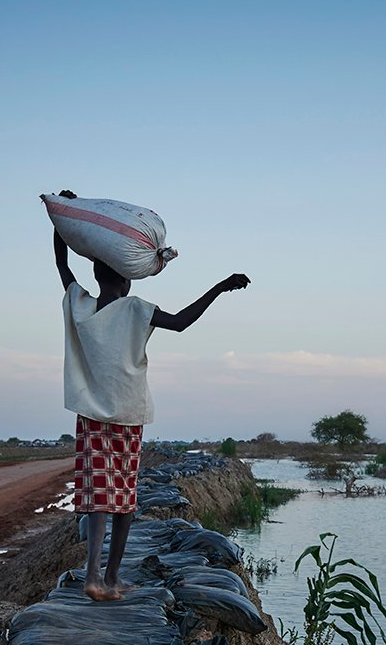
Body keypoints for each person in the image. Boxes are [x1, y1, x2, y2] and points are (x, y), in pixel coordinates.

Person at [53, 195, 249, 601]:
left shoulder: (80, 304)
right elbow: (180, 322)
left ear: (98, 274)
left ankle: (97, 576)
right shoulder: (137, 309)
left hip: (92, 417)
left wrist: (59, 221)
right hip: (128, 415)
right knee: (124, 499)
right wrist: (220, 287)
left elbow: (62, 265)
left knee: (100, 499)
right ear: (126, 278)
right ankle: (107, 578)